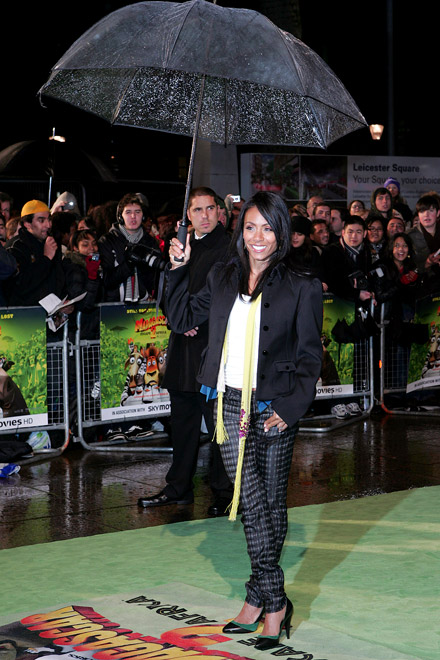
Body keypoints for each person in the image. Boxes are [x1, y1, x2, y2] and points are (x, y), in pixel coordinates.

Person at [165, 191, 323, 649]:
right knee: (252, 503)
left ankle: (256, 597)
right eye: (251, 227)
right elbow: (179, 317)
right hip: (231, 405)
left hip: (275, 409)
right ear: (241, 230)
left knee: (272, 506)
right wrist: (176, 268)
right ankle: (276, 603)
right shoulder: (222, 274)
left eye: (268, 228)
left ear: (282, 234)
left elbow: (311, 356)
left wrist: (290, 409)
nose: (258, 237)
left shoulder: (302, 283)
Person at [138, 187, 233, 516]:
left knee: (218, 425)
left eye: (210, 209)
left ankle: (224, 492)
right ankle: (178, 487)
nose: (205, 215)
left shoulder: (231, 246)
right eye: (198, 210)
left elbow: (224, 294)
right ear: (188, 215)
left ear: (219, 212)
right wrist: (177, 318)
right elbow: (165, 291)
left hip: (213, 345)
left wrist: (191, 318)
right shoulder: (180, 245)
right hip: (183, 344)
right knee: (183, 424)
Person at [98, 193, 161, 303]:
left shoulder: (150, 242)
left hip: (144, 305)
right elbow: (106, 280)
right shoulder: (107, 241)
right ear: (120, 217)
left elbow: (156, 277)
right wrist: (129, 264)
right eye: (128, 212)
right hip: (113, 307)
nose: (133, 216)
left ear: (143, 216)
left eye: (137, 212)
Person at [6, 200, 66, 307]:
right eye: (41, 220)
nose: (48, 225)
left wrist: (63, 301)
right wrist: (46, 258)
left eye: (49, 219)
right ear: (27, 224)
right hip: (25, 316)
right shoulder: (16, 248)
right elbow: (21, 285)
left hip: (50, 313)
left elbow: (59, 278)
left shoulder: (51, 243)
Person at [407, 194, 440, 290]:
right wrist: (428, 263)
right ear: (418, 215)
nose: (426, 215)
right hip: (421, 286)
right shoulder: (409, 236)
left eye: (431, 210)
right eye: (422, 211)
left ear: (438, 213)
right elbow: (406, 268)